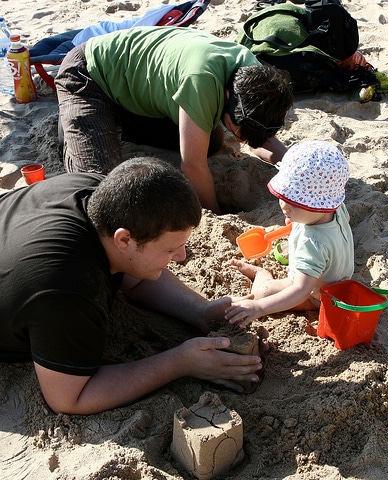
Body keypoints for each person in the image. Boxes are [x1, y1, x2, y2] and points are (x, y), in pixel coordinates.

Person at [0, 158, 263, 415]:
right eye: (170, 248)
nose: (182, 257)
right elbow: (69, 398)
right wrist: (179, 362)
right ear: (124, 239)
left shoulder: (98, 193)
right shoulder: (68, 287)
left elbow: (133, 274)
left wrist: (199, 310)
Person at [55, 26, 294, 214]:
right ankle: (76, 126)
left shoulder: (258, 83)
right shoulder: (202, 81)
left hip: (139, 91)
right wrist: (217, 214)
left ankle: (114, 123)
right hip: (89, 74)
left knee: (211, 143)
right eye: (239, 128)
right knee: (99, 190)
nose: (242, 139)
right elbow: (192, 166)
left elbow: (260, 138)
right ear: (228, 95)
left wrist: (296, 165)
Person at [225, 141, 354, 327]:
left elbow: (300, 291)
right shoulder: (335, 208)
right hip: (339, 278)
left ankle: (261, 273)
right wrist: (298, 222)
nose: (284, 206)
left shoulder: (312, 244)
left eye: (296, 202)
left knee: (263, 293)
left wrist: (259, 307)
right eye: (283, 197)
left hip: (318, 295)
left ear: (319, 206)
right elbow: (344, 222)